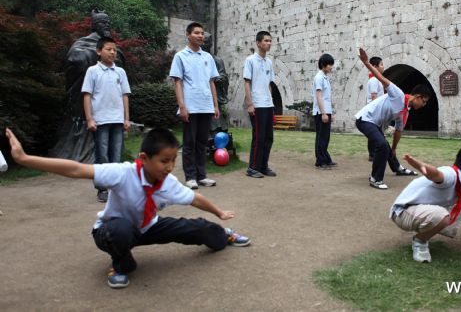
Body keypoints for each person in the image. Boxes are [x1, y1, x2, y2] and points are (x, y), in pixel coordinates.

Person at [5, 127, 250, 289]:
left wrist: (219, 213)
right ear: (143, 158)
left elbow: (195, 199)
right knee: (120, 230)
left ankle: (224, 235)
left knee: (197, 228)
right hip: (110, 230)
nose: (169, 167)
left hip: (148, 226)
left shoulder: (168, 183)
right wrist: (25, 159)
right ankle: (122, 264)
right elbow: (75, 169)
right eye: (164, 161)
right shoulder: (122, 173)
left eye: (173, 160)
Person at [51, 9, 125, 164]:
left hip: (115, 113)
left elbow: (124, 93)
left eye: (108, 23)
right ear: (95, 25)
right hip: (94, 110)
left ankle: (115, 177)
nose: (107, 26)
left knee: (115, 150)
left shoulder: (116, 63)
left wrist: (126, 117)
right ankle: (102, 182)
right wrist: (94, 55)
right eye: (103, 23)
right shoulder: (85, 44)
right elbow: (74, 57)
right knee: (101, 148)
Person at [355, 48, 429, 190]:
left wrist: (394, 149)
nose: (424, 105)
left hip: (375, 124)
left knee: (387, 147)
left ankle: (398, 168)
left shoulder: (405, 111)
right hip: (365, 119)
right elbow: (380, 78)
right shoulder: (398, 94)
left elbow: (398, 132)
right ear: (418, 97)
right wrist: (366, 62)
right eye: (424, 101)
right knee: (382, 145)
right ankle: (375, 178)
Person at [169, 22, 219, 189]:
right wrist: (182, 106)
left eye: (202, 33)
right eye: (197, 33)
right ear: (188, 35)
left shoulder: (208, 57)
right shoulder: (180, 56)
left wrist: (215, 105)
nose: (200, 36)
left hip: (206, 106)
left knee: (202, 142)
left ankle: (201, 175)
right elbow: (178, 82)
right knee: (189, 142)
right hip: (190, 106)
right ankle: (190, 177)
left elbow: (212, 82)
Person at [82, 36, 131, 202]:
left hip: (117, 120)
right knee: (102, 156)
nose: (112, 52)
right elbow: (87, 96)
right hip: (100, 120)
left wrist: (126, 118)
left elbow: (125, 96)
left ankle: (116, 187)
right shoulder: (92, 71)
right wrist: (90, 119)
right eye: (108, 49)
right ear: (98, 51)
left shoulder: (120, 72)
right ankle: (102, 189)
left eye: (114, 50)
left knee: (116, 156)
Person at [244, 31, 276, 178]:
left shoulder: (269, 62)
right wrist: (250, 104)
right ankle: (253, 167)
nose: (269, 43)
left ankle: (263, 166)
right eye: (266, 41)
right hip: (257, 104)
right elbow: (247, 82)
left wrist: (271, 102)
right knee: (259, 137)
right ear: (258, 43)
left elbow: (269, 83)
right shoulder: (250, 60)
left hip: (268, 105)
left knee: (269, 137)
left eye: (270, 41)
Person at [312, 54, 336, 170]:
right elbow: (319, 96)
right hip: (321, 112)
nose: (331, 67)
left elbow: (327, 98)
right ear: (323, 65)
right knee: (321, 137)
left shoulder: (325, 77)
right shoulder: (319, 77)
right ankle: (320, 161)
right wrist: (323, 113)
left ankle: (326, 158)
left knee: (325, 137)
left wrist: (329, 112)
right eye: (330, 64)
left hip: (326, 111)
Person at [366, 56, 385, 162]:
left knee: (376, 132)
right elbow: (374, 97)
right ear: (374, 66)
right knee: (374, 133)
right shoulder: (374, 80)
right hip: (374, 110)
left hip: (377, 109)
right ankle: (372, 154)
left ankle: (375, 153)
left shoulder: (377, 79)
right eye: (381, 64)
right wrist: (377, 111)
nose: (383, 67)